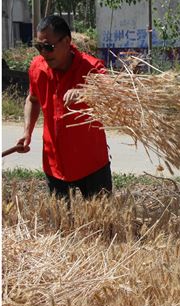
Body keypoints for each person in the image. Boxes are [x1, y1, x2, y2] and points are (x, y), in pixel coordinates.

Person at [15, 15, 112, 200]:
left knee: (103, 218)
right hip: (55, 164)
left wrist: (87, 92)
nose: (44, 53)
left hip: (91, 164)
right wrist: (27, 132)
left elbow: (112, 93)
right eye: (39, 47)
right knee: (59, 218)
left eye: (48, 47)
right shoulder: (37, 68)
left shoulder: (91, 68)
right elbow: (33, 100)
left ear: (67, 41)